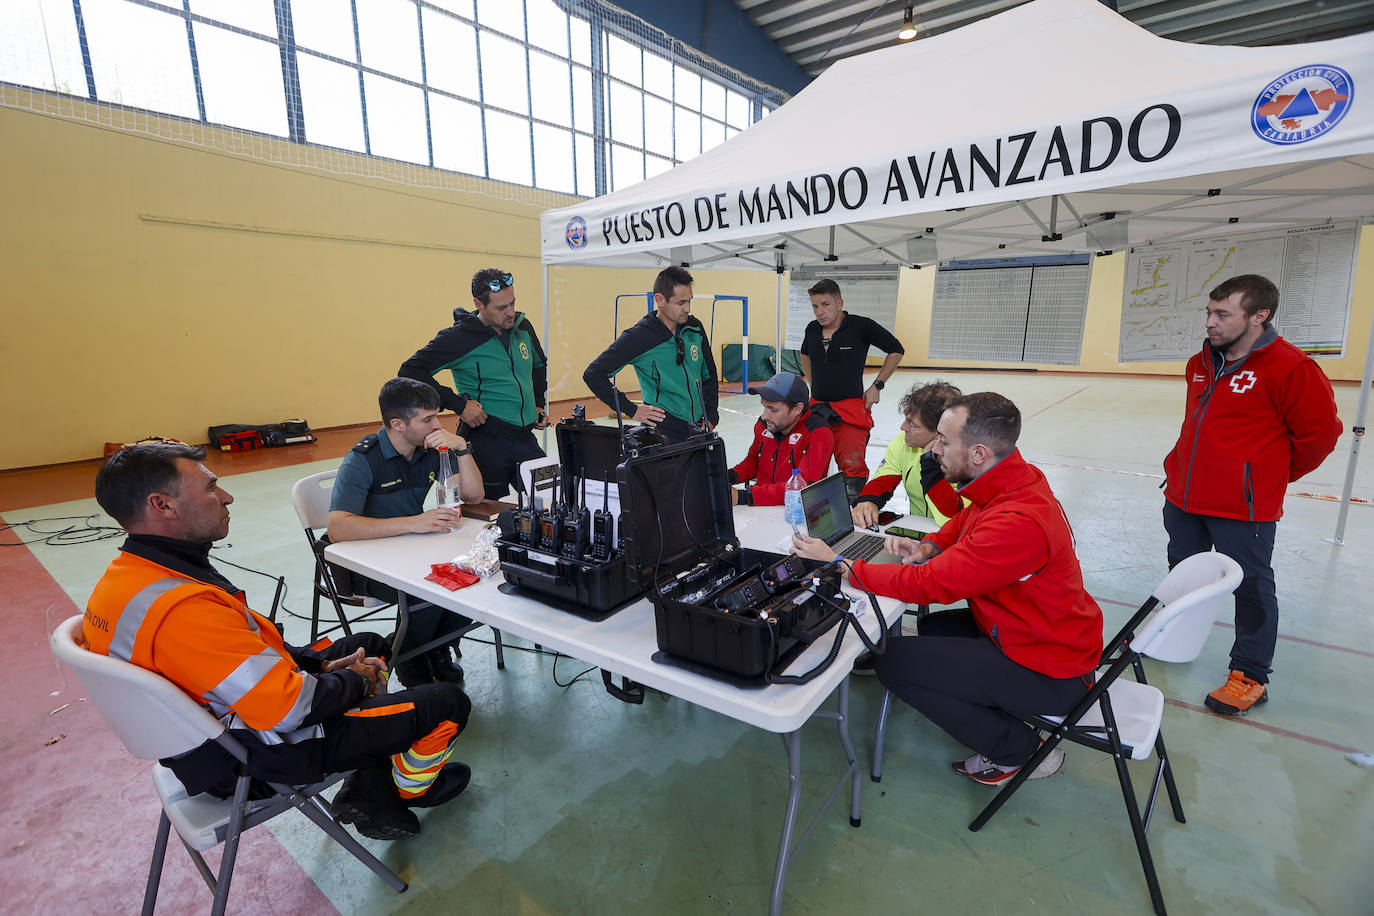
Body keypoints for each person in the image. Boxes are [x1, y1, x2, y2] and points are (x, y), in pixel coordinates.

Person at [84, 443, 473, 841]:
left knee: (370, 643)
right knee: (447, 703)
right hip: (250, 753)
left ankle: (367, 782)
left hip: (208, 730)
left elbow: (237, 658)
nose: (226, 496)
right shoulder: (183, 610)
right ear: (163, 505)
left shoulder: (129, 576)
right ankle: (406, 790)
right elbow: (290, 710)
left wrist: (320, 667)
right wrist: (355, 681)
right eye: (210, 487)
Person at [793, 393, 1103, 786]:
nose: (934, 448)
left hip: (1052, 672)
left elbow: (930, 584)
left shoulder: (1019, 522)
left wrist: (846, 567)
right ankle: (997, 714)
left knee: (893, 662)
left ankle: (1020, 751)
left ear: (977, 452)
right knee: (932, 632)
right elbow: (968, 519)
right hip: (1032, 634)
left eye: (943, 439)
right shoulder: (1013, 479)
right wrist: (930, 546)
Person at [1163, 274, 1341, 716]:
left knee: (1253, 588)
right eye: (1209, 312)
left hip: (1243, 508)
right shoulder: (1199, 362)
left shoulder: (1292, 369)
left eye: (1222, 314)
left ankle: (1250, 675)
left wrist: (1263, 480)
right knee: (1183, 573)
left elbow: (1320, 437)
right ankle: (1172, 636)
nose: (1210, 322)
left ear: (1258, 316)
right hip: (1184, 498)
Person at [327, 378, 485, 687]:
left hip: (406, 552)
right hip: (363, 564)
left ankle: (435, 649)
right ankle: (411, 662)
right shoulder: (363, 459)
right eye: (428, 419)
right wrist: (414, 522)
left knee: (472, 577)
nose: (437, 425)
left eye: (437, 416)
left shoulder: (428, 449)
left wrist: (463, 448)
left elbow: (475, 495)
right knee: (428, 591)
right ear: (398, 424)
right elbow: (337, 528)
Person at [399, 267, 550, 499]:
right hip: (487, 439)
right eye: (501, 308)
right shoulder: (459, 338)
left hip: (525, 438)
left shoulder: (523, 327)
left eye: (512, 303)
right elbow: (410, 371)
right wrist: (458, 405)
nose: (510, 312)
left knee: (551, 498)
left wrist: (538, 403)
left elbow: (539, 365)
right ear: (479, 304)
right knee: (487, 513)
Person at [583, 265, 720, 444]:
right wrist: (631, 409)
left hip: (699, 429)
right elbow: (593, 374)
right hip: (665, 432)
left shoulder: (694, 328)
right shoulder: (639, 337)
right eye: (680, 303)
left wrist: (710, 417)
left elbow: (709, 374)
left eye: (689, 301)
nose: (687, 309)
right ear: (660, 299)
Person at [798, 278, 905, 503]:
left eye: (825, 304)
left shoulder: (860, 326)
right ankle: (817, 513)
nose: (820, 311)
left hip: (850, 412)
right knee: (812, 466)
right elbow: (805, 354)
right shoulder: (812, 329)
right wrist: (812, 383)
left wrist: (877, 385)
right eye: (815, 306)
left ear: (840, 303)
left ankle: (853, 514)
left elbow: (896, 349)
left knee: (852, 469)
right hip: (818, 409)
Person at [852, 380, 964, 529]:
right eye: (906, 419)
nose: (903, 427)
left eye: (913, 425)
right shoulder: (902, 443)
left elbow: (950, 516)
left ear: (939, 432)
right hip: (920, 535)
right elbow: (884, 480)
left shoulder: (967, 459)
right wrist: (867, 500)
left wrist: (929, 462)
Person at [726, 372, 833, 506]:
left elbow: (803, 487)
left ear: (797, 409)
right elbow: (754, 461)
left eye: (773, 410)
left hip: (794, 512)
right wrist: (729, 476)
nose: (764, 416)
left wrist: (744, 497)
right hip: (758, 508)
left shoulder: (818, 433)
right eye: (764, 407)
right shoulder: (763, 425)